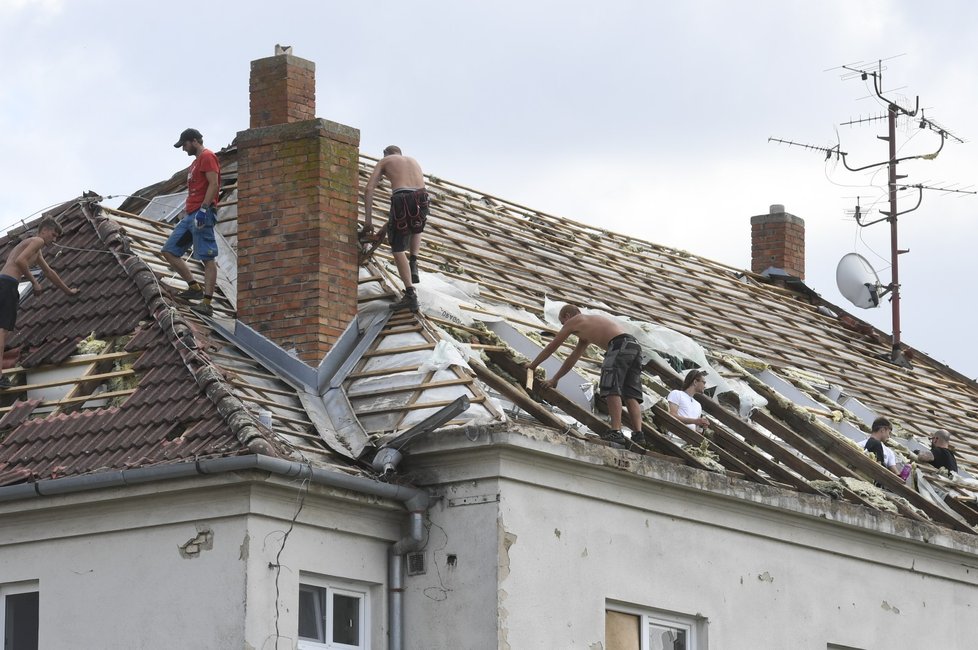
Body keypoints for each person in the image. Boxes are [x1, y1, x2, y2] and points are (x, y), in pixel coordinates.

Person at [527, 304, 645, 449]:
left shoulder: (575, 320)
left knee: (611, 385)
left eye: (563, 323)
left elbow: (553, 346)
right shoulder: (587, 328)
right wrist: (555, 379)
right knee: (630, 394)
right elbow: (573, 358)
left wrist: (532, 365)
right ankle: (639, 434)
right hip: (634, 347)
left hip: (619, 345)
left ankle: (616, 431)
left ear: (567, 316)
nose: (564, 326)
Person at [0, 218, 79, 387]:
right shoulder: (37, 240)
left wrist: (68, 291)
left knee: (2, 331)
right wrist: (34, 282)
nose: (54, 239)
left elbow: (49, 272)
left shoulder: (37, 250)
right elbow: (20, 261)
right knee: (2, 331)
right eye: (54, 234)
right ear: (44, 231)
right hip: (7, 285)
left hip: (4, 283)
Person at [161, 128, 221, 317]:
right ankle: (194, 287)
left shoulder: (207, 157)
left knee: (207, 257)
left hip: (202, 215)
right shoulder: (195, 163)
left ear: (194, 141)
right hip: (190, 215)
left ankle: (207, 302)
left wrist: (204, 209)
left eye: (185, 145)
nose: (183, 149)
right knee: (169, 251)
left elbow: (214, 183)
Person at [363, 146, 429, 312]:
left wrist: (368, 221)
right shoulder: (413, 161)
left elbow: (369, 189)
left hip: (402, 198)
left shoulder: (385, 161)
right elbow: (409, 209)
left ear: (386, 153)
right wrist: (386, 227)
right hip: (422, 197)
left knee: (397, 248)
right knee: (416, 226)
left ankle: (410, 295)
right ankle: (414, 261)